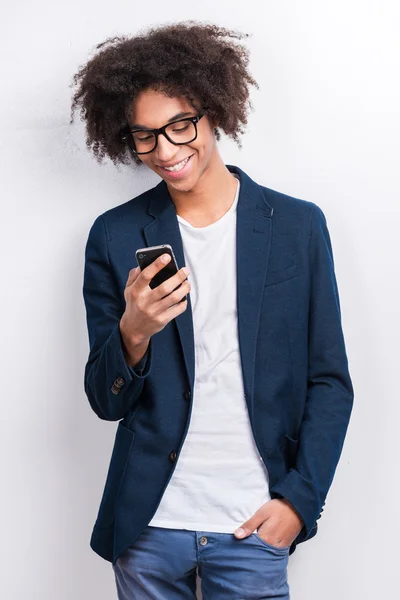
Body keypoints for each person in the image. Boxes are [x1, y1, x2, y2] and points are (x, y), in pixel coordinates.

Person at [71, 21, 354, 600]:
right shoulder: (115, 235)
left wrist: (300, 502)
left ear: (214, 112)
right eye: (144, 135)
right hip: (148, 528)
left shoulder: (297, 227)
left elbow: (329, 381)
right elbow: (106, 401)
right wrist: (134, 333)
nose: (165, 152)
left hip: (254, 521)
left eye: (180, 125)